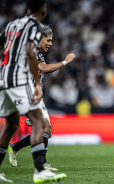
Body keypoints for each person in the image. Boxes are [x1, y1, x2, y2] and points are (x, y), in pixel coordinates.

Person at [0, 0, 66, 183]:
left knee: (11, 126)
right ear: (43, 11)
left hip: (3, 78)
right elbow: (31, 53)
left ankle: (30, 161)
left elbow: (0, 45)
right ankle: (40, 170)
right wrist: (38, 84)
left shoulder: (12, 25)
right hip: (18, 81)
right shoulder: (34, 26)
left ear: (27, 8)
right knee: (38, 121)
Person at [7, 25, 75, 171]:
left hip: (34, 95)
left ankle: (15, 147)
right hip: (24, 94)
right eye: (48, 40)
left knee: (47, 130)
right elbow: (43, 68)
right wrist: (65, 62)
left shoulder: (38, 52)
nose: (50, 43)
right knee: (43, 127)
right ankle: (42, 166)